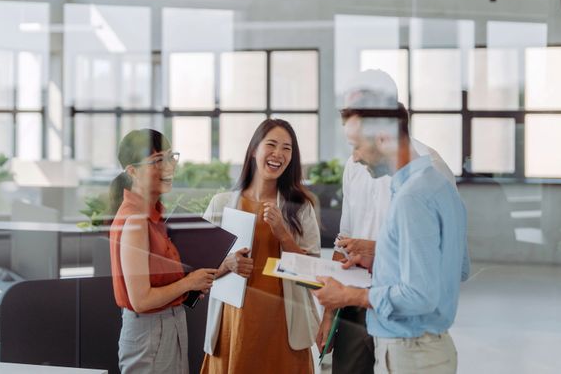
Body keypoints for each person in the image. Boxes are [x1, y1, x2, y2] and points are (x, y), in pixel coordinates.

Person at [312, 86, 470, 374]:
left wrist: (349, 295)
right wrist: (382, 258)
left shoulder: (412, 196)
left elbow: (420, 294)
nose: (354, 157)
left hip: (411, 347)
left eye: (357, 145)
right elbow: (456, 267)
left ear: (383, 138)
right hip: (420, 344)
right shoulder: (430, 184)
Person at [201, 119, 321, 374]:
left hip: (284, 327)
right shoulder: (221, 204)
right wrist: (227, 264)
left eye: (287, 148)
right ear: (254, 149)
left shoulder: (301, 208)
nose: (279, 153)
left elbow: (313, 277)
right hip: (234, 326)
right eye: (272, 145)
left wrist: (283, 234)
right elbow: (196, 273)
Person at [109, 129, 217, 374]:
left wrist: (192, 283)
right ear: (132, 171)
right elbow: (141, 300)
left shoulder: (153, 214)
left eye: (170, 157)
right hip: (150, 331)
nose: (169, 166)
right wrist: (188, 283)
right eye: (157, 161)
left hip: (167, 325)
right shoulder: (136, 220)